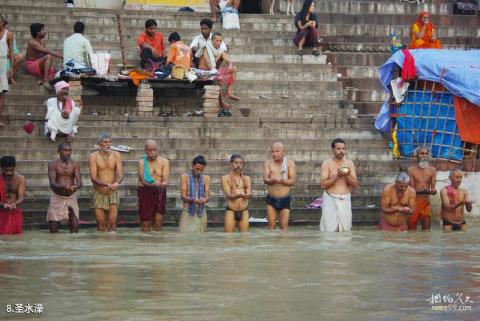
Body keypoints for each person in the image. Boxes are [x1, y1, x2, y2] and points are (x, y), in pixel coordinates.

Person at [319, 138, 358, 232]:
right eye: (339, 149)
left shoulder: (349, 163)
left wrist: (347, 175)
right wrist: (337, 175)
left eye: (343, 148)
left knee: (345, 232)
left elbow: (355, 184)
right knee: (329, 231)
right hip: (330, 199)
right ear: (333, 150)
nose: (342, 151)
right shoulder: (327, 163)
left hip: (345, 199)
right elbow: (323, 185)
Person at [89, 134, 124, 232]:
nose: (108, 144)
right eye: (105, 142)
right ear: (99, 144)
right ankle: (101, 246)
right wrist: (106, 185)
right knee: (101, 225)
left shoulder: (116, 155)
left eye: (109, 142)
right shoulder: (93, 156)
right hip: (99, 192)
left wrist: (117, 183)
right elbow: (93, 177)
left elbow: (121, 175)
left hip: (113, 192)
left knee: (112, 224)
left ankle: (112, 246)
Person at [47, 142, 82, 233]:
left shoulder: (75, 164)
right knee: (53, 228)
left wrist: (74, 187)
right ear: (59, 152)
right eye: (65, 150)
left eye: (70, 150)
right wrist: (64, 187)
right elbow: (52, 183)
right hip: (57, 196)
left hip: (71, 195)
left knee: (75, 227)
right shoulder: (53, 164)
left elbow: (80, 183)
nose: (68, 153)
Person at [137, 139, 169, 232]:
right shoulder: (142, 162)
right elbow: (143, 181)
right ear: (145, 150)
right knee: (146, 223)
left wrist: (164, 183)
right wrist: (154, 183)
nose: (153, 152)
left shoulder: (164, 161)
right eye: (150, 150)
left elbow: (166, 179)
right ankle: (146, 244)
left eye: (154, 150)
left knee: (158, 223)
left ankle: (157, 245)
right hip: (145, 191)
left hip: (160, 192)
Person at [263, 142, 296, 230]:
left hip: (284, 198)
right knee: (271, 227)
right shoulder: (268, 163)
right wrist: (272, 180)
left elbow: (292, 181)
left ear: (283, 151)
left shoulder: (289, 163)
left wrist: (282, 181)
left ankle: (283, 243)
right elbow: (265, 179)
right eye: (273, 151)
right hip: (271, 198)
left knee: (284, 228)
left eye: (277, 151)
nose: (275, 153)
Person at [199, 33, 239, 100]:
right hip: (203, 73)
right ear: (212, 41)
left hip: (213, 72)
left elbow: (228, 60)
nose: (219, 43)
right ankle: (222, 102)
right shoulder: (205, 47)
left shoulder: (220, 50)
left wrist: (230, 64)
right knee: (219, 78)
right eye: (217, 41)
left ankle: (229, 92)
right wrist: (214, 70)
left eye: (221, 41)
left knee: (234, 68)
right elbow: (208, 62)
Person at [407, 146, 436, 231]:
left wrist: (433, 191)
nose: (424, 156)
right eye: (422, 153)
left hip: (426, 203)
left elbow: (433, 189)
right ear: (417, 156)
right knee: (411, 230)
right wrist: (425, 191)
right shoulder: (411, 170)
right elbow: (411, 190)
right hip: (413, 203)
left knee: (427, 231)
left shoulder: (433, 170)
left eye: (426, 154)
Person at [25, 23, 62, 90]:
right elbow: (48, 51)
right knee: (49, 56)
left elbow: (45, 52)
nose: (45, 32)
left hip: (39, 64)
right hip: (31, 66)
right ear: (38, 32)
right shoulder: (32, 42)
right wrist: (62, 56)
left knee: (61, 72)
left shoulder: (41, 40)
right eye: (43, 30)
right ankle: (45, 80)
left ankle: (44, 81)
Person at [179, 155, 210, 232]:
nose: (199, 171)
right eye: (197, 169)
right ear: (193, 165)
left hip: (201, 211)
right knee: (183, 237)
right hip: (187, 211)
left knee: (201, 239)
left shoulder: (206, 178)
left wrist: (204, 199)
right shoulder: (184, 177)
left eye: (201, 170)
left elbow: (208, 195)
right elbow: (183, 196)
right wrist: (193, 200)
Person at [221, 154, 251, 233]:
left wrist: (247, 195)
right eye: (236, 163)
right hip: (231, 210)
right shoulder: (225, 178)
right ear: (231, 164)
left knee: (244, 237)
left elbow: (249, 193)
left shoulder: (247, 178)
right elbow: (229, 195)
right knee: (228, 238)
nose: (239, 165)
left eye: (241, 163)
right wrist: (240, 195)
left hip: (244, 210)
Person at [0, 156, 25, 235]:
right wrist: (3, 205)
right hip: (1, 212)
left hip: (15, 212)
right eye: (6, 170)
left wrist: (15, 204)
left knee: (16, 237)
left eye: (11, 170)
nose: (9, 173)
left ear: (14, 168)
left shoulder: (20, 178)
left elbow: (21, 197)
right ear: (1, 168)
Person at [0, 15, 14, 127]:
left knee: (1, 94)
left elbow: (11, 53)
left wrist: (11, 67)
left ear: (3, 22)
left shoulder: (9, 34)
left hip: (3, 63)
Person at [2, 17, 23, 85]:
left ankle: (8, 77)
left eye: (7, 27)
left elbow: (14, 51)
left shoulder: (11, 36)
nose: (6, 29)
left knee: (20, 57)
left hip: (7, 59)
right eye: (5, 27)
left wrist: (9, 54)